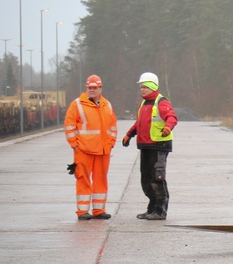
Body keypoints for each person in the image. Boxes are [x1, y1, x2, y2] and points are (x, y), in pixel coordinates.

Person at [121, 72, 178, 220]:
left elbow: (172, 117)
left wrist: (168, 127)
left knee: (157, 178)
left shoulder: (161, 102)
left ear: (153, 87)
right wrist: (129, 134)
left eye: (145, 87)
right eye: (141, 87)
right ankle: (152, 208)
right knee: (146, 179)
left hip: (159, 145)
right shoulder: (144, 104)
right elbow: (139, 123)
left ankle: (160, 211)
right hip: (145, 146)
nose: (142, 89)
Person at [64, 74, 118, 220]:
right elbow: (69, 126)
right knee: (83, 178)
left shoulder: (107, 105)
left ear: (100, 88)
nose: (92, 90)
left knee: (101, 179)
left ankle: (99, 210)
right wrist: (75, 146)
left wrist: (111, 142)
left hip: (103, 150)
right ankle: (82, 211)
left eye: (95, 88)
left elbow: (113, 125)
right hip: (84, 150)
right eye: (89, 88)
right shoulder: (77, 104)